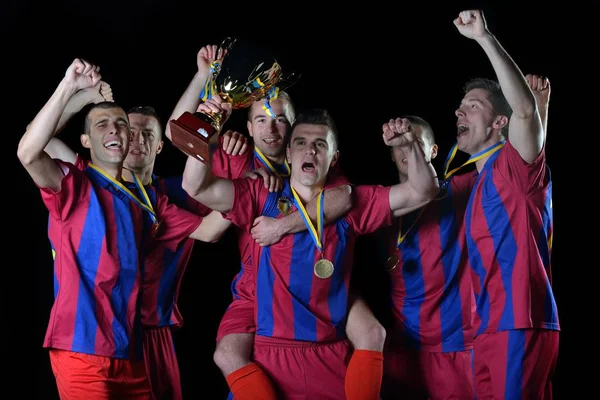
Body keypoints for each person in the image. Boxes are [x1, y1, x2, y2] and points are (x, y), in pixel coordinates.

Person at [166, 51, 388, 399]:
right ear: (248, 126)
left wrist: (281, 225)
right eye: (262, 120)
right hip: (257, 283)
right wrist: (204, 89)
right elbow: (178, 133)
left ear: (294, 124)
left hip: (319, 279)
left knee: (372, 333)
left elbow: (345, 196)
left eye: (281, 120)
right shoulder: (238, 159)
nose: (272, 129)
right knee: (227, 353)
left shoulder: (314, 158)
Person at [180, 106, 439, 399]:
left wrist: (409, 144)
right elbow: (194, 185)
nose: (310, 151)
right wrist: (206, 128)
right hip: (269, 359)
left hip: (331, 357)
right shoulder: (261, 195)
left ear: (334, 158)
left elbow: (423, 189)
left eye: (320, 144)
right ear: (289, 154)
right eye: (301, 143)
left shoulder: (352, 205)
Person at [18, 58, 228, 400]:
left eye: (143, 133)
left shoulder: (163, 199)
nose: (130, 138)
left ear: (159, 146)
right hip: (85, 341)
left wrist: (252, 193)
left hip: (137, 340)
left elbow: (209, 226)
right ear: (89, 140)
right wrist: (76, 94)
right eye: (112, 127)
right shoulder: (78, 180)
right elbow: (32, 146)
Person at [452, 10, 558, 399]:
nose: (460, 111)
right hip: (489, 328)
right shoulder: (477, 183)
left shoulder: (515, 166)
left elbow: (526, 113)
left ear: (500, 121)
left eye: (474, 105)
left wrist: (483, 37)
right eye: (460, 106)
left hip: (521, 320)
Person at [379, 115, 477, 399]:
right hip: (403, 350)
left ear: (433, 152)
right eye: (401, 143)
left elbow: (510, 159)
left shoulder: (460, 191)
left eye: (416, 143)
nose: (407, 148)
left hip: (455, 348)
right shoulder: (380, 204)